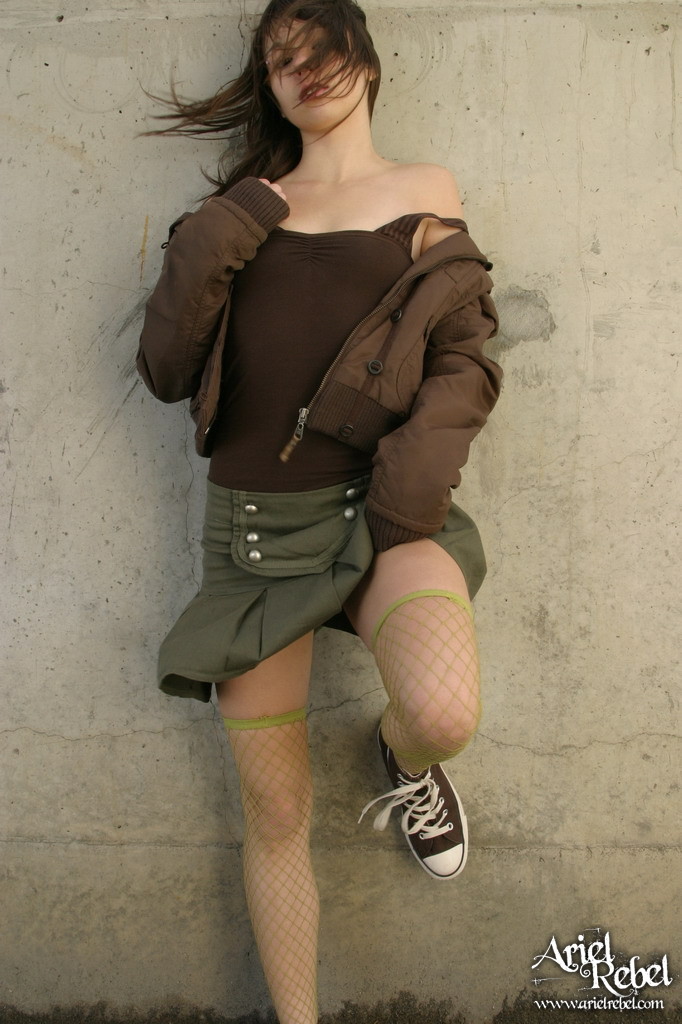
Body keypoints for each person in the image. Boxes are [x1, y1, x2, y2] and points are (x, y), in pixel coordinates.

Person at [137, 1, 502, 1021]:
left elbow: (464, 358)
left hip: (381, 515)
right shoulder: (242, 210)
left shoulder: (423, 191)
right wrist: (233, 219)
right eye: (280, 58)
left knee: (442, 712)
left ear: (366, 59)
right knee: (277, 810)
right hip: (255, 538)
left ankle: (402, 757)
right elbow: (166, 369)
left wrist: (408, 493)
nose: (305, 68)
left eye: (321, 45)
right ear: (269, 86)